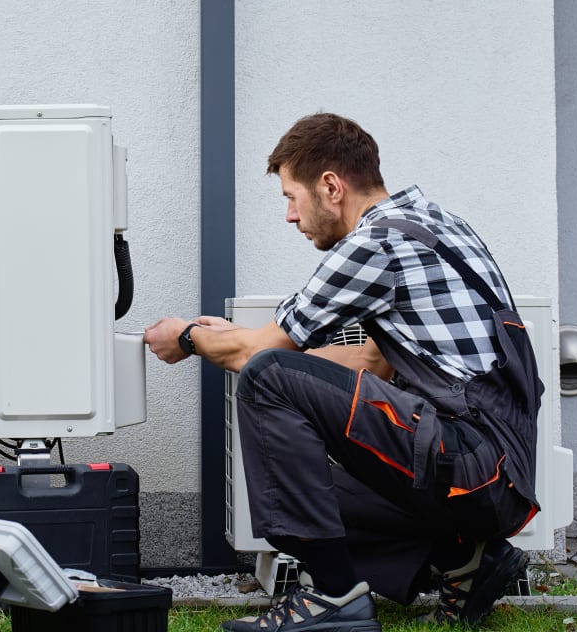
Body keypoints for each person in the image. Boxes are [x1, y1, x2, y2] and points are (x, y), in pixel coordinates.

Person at [145, 113, 544, 632]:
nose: (290, 215)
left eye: (292, 196)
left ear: (331, 186)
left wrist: (186, 337)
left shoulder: (374, 245)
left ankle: (333, 599)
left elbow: (258, 358)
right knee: (312, 481)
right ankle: (466, 560)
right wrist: (262, 358)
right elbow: (369, 363)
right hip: (495, 474)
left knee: (266, 377)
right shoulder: (432, 222)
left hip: (473, 463)